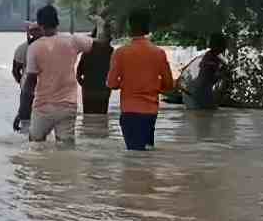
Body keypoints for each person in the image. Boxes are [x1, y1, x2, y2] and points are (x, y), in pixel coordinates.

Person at [19, 5, 109, 144]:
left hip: (43, 107)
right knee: (66, 147)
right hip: (67, 107)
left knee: (36, 145)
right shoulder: (72, 40)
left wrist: (22, 112)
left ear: (40, 25)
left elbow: (30, 82)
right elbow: (102, 44)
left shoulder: (34, 48)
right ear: (58, 22)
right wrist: (100, 25)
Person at [107, 10, 175, 150]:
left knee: (134, 156)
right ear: (147, 27)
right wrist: (155, 86)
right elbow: (169, 84)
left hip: (129, 112)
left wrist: (127, 83)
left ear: (130, 27)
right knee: (147, 154)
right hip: (150, 113)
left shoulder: (120, 53)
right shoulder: (158, 53)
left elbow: (111, 83)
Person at [77, 21, 114, 115]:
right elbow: (113, 73)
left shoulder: (87, 51)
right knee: (102, 120)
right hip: (103, 92)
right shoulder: (110, 52)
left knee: (88, 120)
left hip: (88, 92)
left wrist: (85, 85)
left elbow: (78, 73)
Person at [183, 33, 229, 110]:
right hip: (201, 92)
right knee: (206, 114)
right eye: (223, 45)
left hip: (197, 91)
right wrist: (222, 74)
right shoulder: (212, 59)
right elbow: (208, 77)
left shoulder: (210, 57)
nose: (224, 47)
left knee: (204, 115)